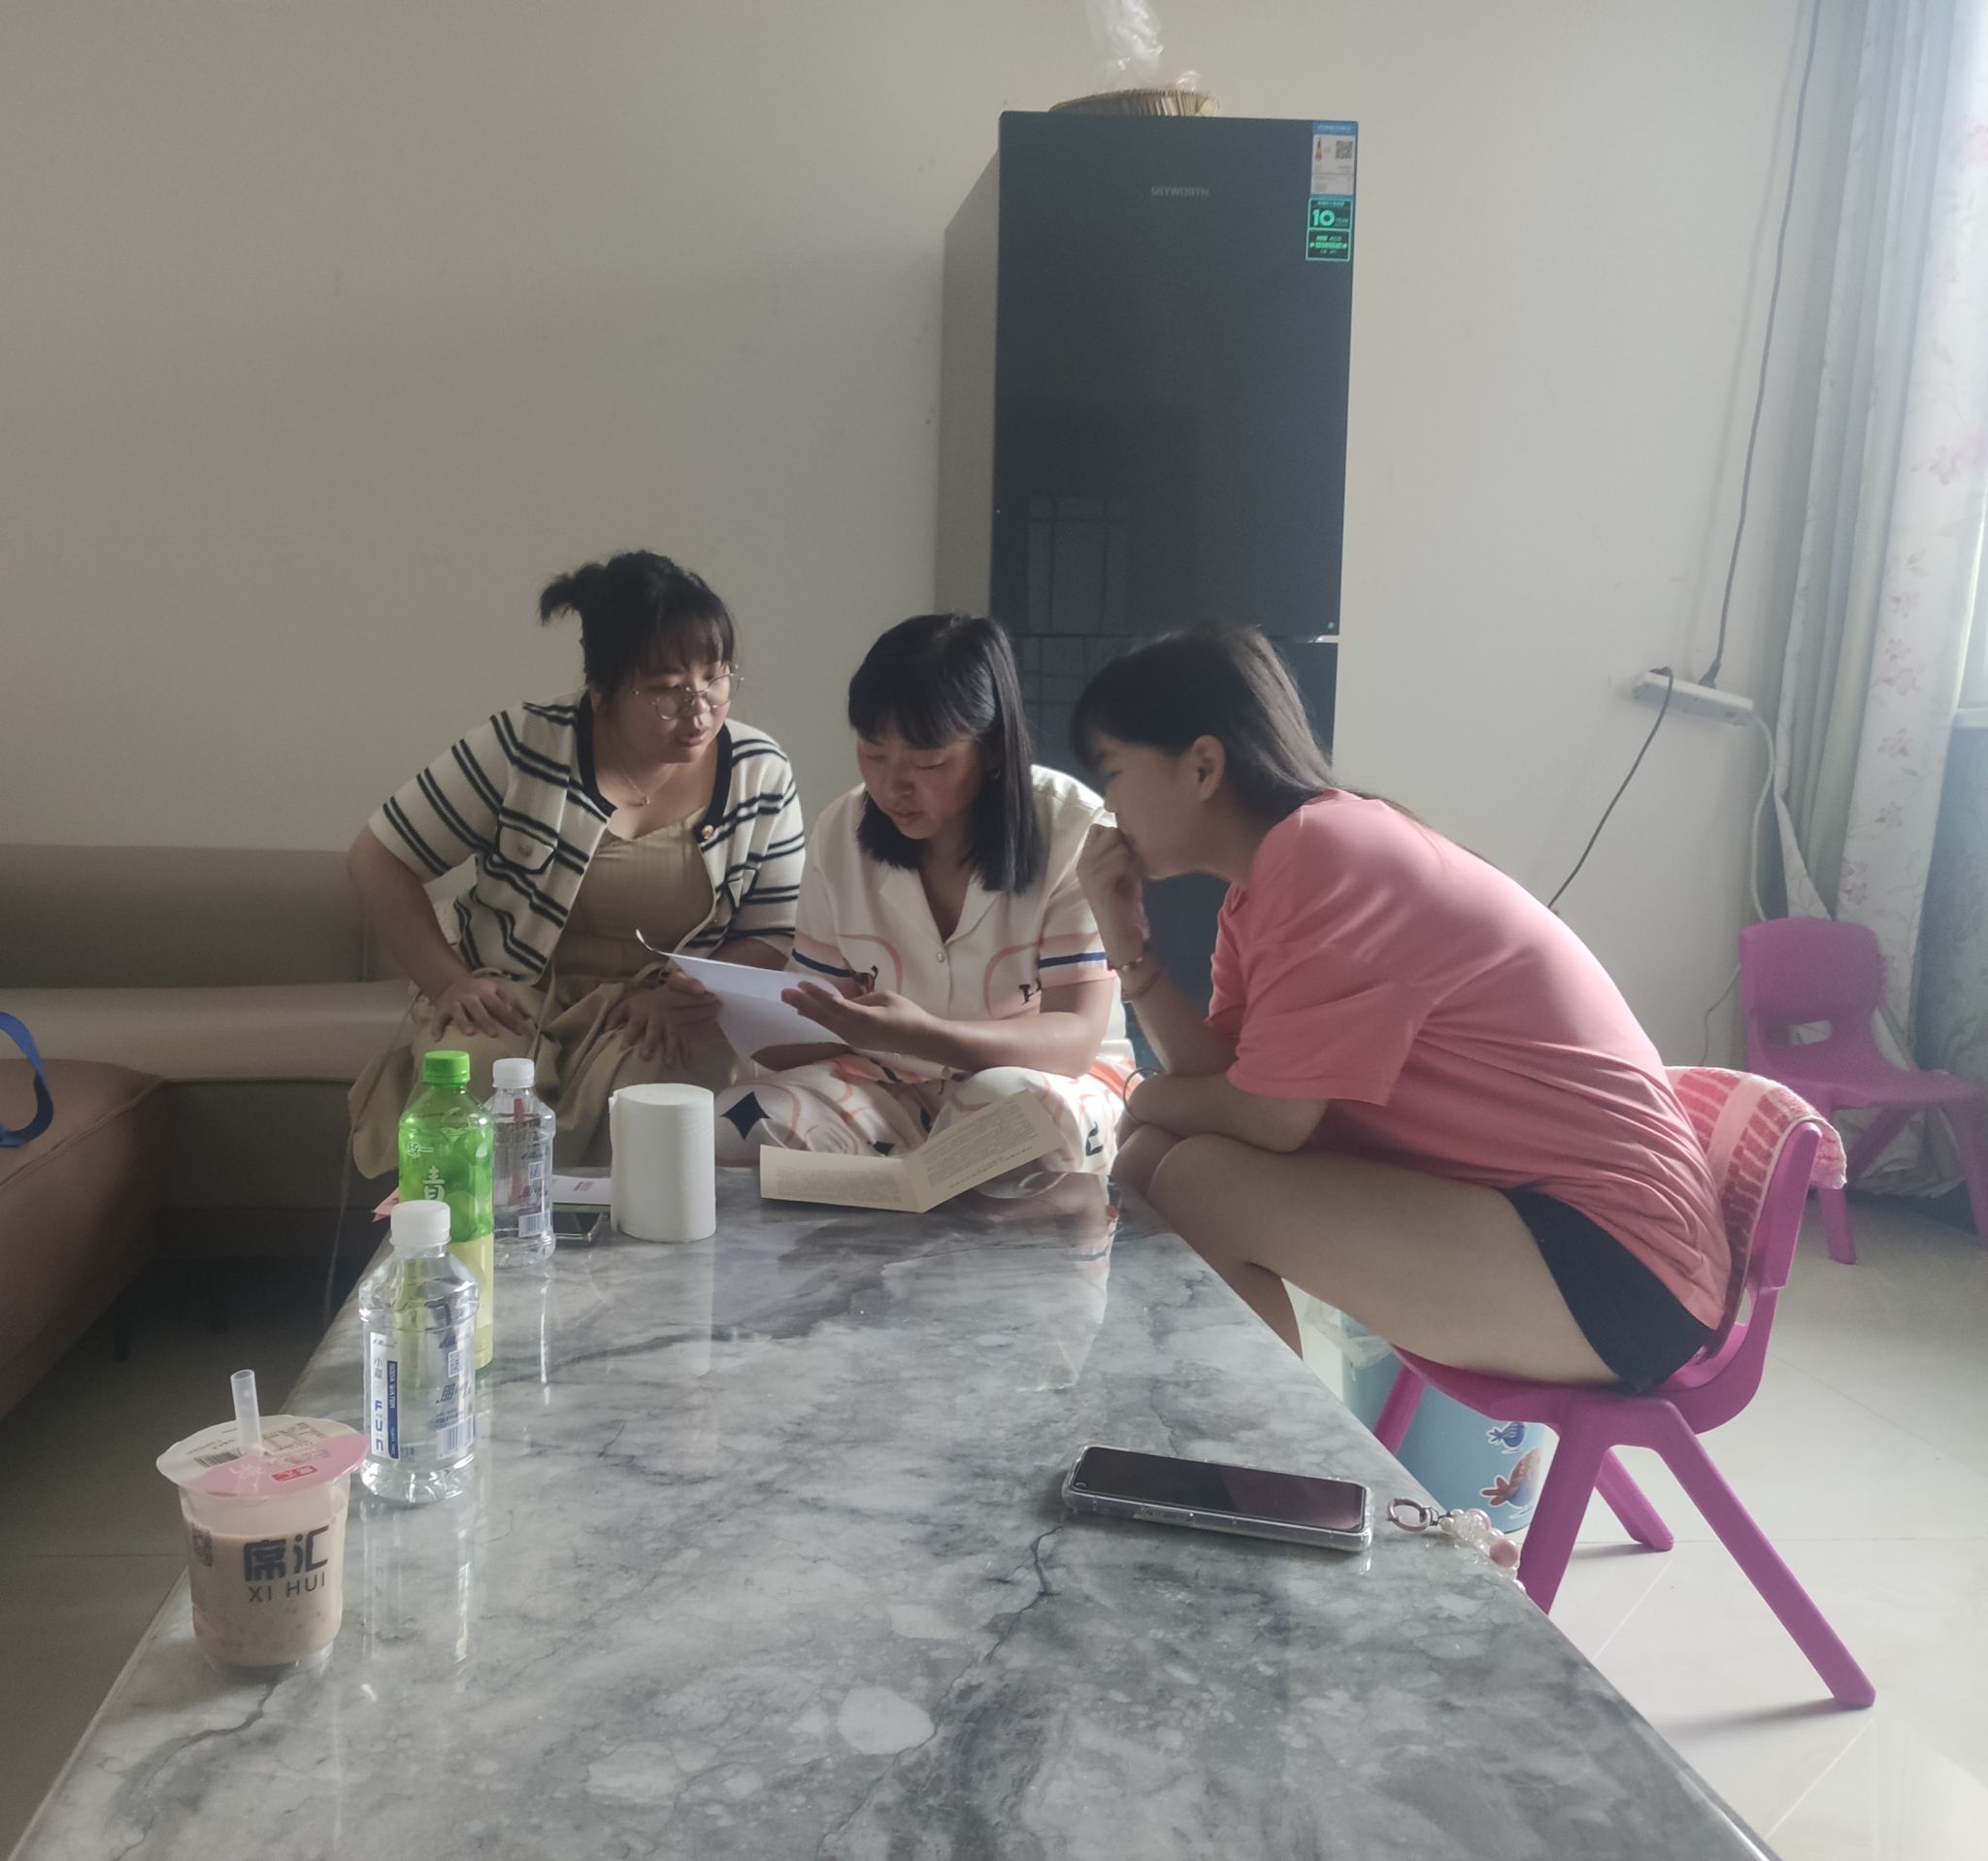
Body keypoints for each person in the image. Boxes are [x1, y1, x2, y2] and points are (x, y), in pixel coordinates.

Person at [1071, 626, 1725, 1393]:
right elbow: (1230, 1085)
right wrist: (1130, 947)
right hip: (1539, 1227)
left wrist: (1143, 1094)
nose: (1107, 807)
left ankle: (1254, 1455)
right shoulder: (1267, 887)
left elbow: (1268, 1118)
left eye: (1112, 773)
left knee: (1198, 1181)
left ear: (1203, 766)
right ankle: (1166, 1424)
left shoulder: (1323, 852)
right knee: (1154, 1154)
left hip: (1623, 1265)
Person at [347, 550, 804, 1173]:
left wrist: (684, 993)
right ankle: (473, 1231)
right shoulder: (525, 744)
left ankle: (631, 1238)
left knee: (657, 1095)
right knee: (477, 1081)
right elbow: (377, 857)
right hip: (516, 993)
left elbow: (773, 931)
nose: (699, 711)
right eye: (666, 691)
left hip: (657, 1009)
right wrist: (448, 982)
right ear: (602, 691)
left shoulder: (758, 770)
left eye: (716, 678)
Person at [713, 614, 1133, 1190]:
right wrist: (735, 1007)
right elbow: (812, 1033)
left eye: (928, 761)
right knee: (735, 1123)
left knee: (1008, 1111)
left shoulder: (1071, 831)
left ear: (991, 748)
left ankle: (917, 1222)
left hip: (1044, 1082)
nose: (893, 787)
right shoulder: (843, 832)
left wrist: (923, 1034)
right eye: (873, 753)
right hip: (886, 1080)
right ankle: (880, 1230)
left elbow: (1074, 1042)